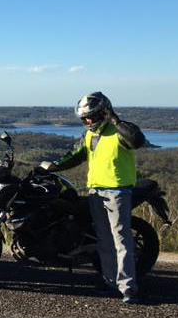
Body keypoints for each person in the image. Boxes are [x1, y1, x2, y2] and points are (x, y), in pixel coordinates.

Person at [40, 92, 147, 304]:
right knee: (104, 240)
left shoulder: (119, 131)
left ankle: (128, 288)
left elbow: (137, 141)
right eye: (84, 118)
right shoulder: (90, 135)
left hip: (117, 191)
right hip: (96, 192)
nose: (87, 121)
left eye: (91, 116)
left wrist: (115, 119)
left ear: (103, 112)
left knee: (121, 240)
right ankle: (110, 283)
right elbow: (76, 155)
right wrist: (52, 167)